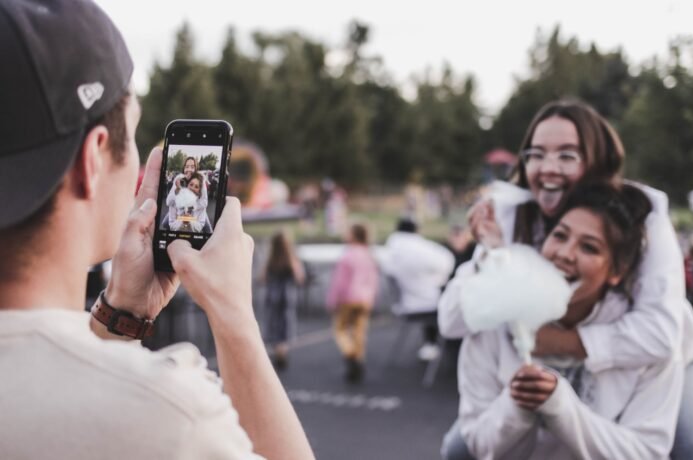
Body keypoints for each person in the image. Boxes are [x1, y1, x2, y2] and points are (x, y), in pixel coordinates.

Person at [0, 2, 314, 459]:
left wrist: (120, 312)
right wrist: (233, 316)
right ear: (93, 160)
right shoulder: (170, 416)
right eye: (133, 135)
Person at [438, 99, 693, 459]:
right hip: (549, 362)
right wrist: (491, 252)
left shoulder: (640, 213)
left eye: (567, 155)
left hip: (654, 360)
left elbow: (661, 335)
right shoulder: (510, 213)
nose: (548, 168)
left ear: (596, 160)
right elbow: (454, 320)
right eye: (536, 154)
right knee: (459, 449)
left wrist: (561, 342)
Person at [458, 183, 684, 459]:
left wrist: (560, 406)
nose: (565, 254)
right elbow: (478, 446)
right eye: (560, 235)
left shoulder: (649, 344)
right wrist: (515, 406)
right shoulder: (494, 322)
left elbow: (646, 452)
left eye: (589, 248)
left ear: (617, 271)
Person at [385, 217, 455, 361]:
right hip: (424, 305)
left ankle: (430, 345)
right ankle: (448, 353)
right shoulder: (419, 249)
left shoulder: (392, 249)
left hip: (405, 303)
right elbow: (446, 263)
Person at [326, 223, 380, 383]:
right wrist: (372, 298)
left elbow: (339, 282)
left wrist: (332, 301)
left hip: (348, 298)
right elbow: (373, 280)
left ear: (354, 235)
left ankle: (351, 356)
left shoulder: (347, 256)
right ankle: (359, 357)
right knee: (359, 332)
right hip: (365, 299)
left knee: (340, 330)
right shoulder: (369, 255)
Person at [261, 230, 305, 370]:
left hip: (272, 296)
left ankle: (276, 348)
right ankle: (282, 350)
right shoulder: (291, 259)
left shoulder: (270, 260)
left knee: (273, 322)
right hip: (286, 297)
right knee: (285, 323)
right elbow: (300, 278)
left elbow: (262, 278)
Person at [163, 155, 209, 230]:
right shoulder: (179, 178)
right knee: (166, 224)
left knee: (208, 229)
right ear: (183, 168)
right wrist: (177, 190)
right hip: (179, 209)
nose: (189, 170)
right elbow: (168, 202)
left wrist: (189, 206)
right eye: (187, 167)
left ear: (196, 169)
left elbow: (204, 202)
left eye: (192, 167)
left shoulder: (201, 180)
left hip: (197, 209)